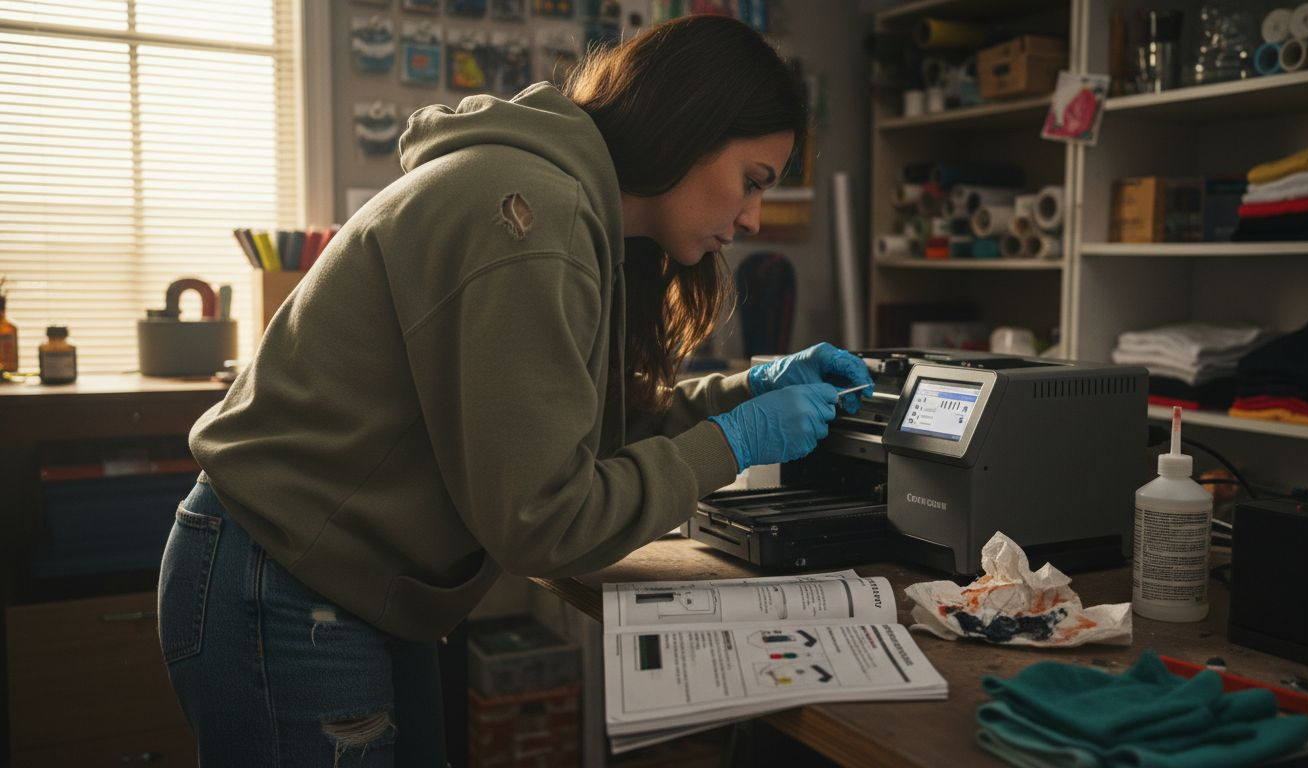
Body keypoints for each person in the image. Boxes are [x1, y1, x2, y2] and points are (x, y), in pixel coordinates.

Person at [158, 13, 874, 767]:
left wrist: (749, 391)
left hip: (341, 579)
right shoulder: (535, 213)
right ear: (691, 130)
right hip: (285, 580)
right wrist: (739, 441)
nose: (754, 218)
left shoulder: (561, 204)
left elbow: (591, 428)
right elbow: (544, 522)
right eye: (752, 182)